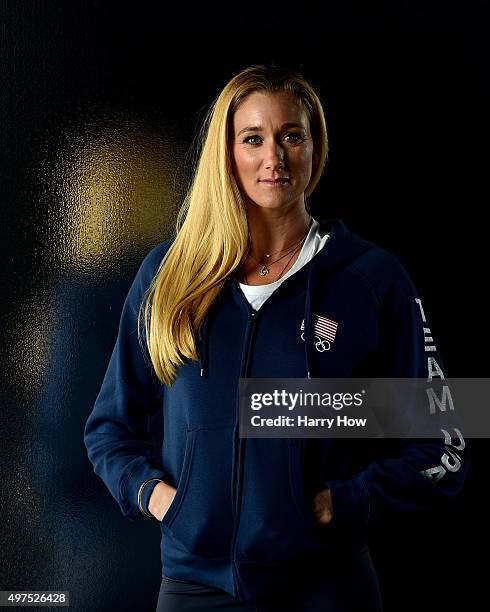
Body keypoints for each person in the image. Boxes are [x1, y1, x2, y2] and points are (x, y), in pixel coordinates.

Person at [84, 64, 469, 611]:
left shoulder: (371, 279)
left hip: (327, 589)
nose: (275, 158)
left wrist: (348, 501)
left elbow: (445, 441)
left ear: (315, 148)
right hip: (195, 590)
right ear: (227, 154)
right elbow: (108, 428)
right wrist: (160, 497)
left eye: (292, 136)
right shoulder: (172, 276)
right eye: (253, 139)